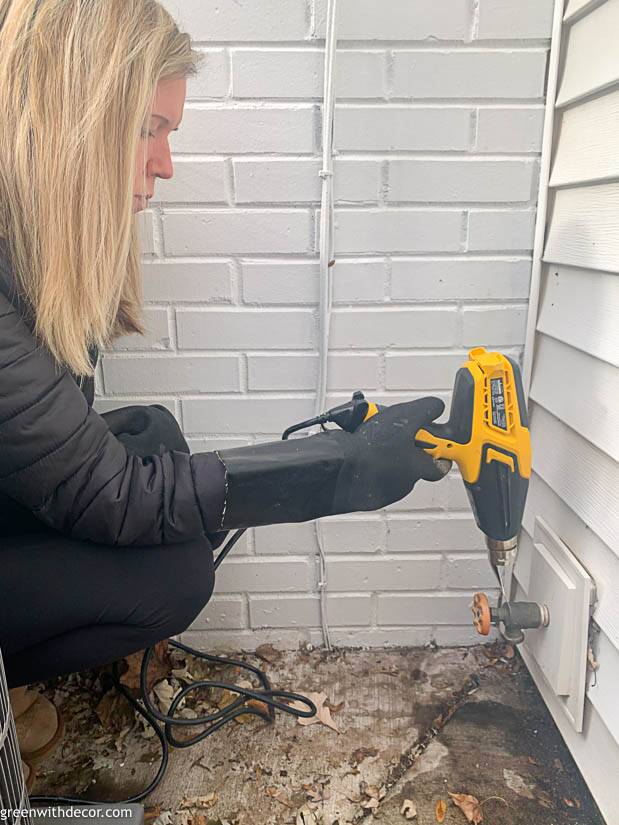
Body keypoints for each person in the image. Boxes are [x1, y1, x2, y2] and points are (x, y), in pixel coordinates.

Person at [0, 0, 446, 788]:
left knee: (154, 433)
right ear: (69, 120)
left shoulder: (28, 241)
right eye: (149, 129)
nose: (166, 162)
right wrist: (338, 468)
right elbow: (107, 497)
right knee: (173, 577)